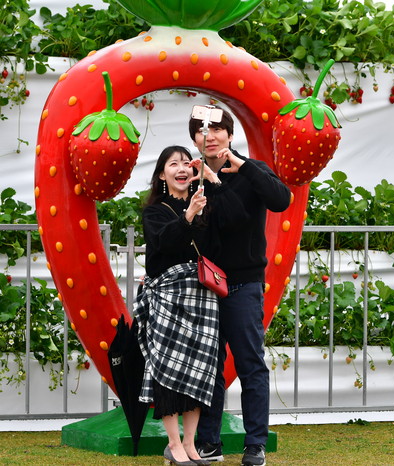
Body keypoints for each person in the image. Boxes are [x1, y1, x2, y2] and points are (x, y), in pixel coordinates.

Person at [191, 107, 291, 466]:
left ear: (230, 135)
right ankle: (209, 442)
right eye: (202, 131)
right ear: (195, 139)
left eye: (218, 129)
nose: (210, 136)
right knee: (208, 365)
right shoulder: (193, 176)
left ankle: (255, 444)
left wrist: (242, 169)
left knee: (250, 362)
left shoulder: (251, 170)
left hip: (244, 283)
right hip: (205, 284)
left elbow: (281, 200)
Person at [134, 145, 221, 466]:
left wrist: (202, 206)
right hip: (167, 296)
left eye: (187, 163)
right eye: (173, 164)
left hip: (202, 296)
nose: (182, 169)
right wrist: (188, 215)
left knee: (199, 370)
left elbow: (214, 247)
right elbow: (162, 244)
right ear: (162, 174)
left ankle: (190, 444)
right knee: (166, 368)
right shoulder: (154, 211)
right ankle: (173, 444)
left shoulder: (205, 205)